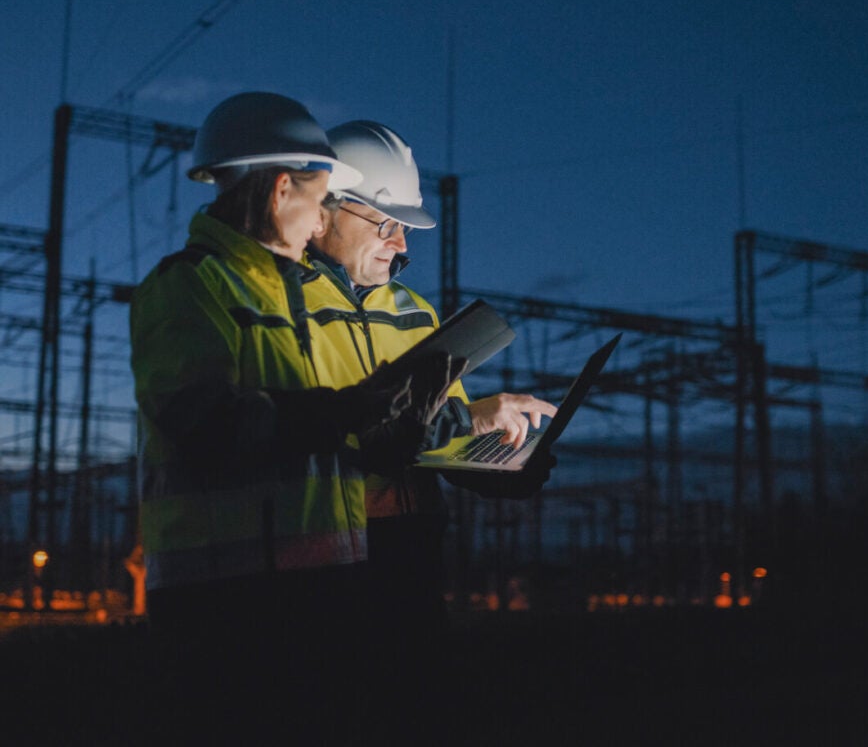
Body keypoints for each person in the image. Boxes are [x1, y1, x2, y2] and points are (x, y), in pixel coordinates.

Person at [129, 94, 458, 740]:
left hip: (319, 593)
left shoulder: (281, 294)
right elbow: (207, 427)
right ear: (283, 191)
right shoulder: (189, 286)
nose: (318, 223)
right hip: (222, 611)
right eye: (319, 199)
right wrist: (349, 410)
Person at [304, 119, 558, 742]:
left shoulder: (418, 315)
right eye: (383, 222)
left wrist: (504, 464)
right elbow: (322, 431)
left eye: (406, 229)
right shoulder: (284, 310)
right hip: (324, 565)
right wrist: (469, 418)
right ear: (326, 209)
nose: (399, 244)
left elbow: (441, 439)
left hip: (410, 558)